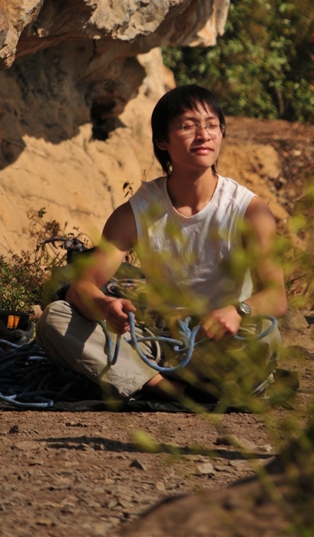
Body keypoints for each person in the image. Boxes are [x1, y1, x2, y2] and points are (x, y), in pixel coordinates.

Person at [36, 85, 287, 402]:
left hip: (220, 343)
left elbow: (277, 297)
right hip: (154, 342)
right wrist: (105, 305)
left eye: (212, 125)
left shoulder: (249, 210)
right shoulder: (135, 212)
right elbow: (80, 289)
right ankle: (169, 389)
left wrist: (239, 310)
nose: (203, 135)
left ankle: (143, 382)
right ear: (162, 141)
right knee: (55, 318)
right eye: (187, 126)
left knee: (265, 334)